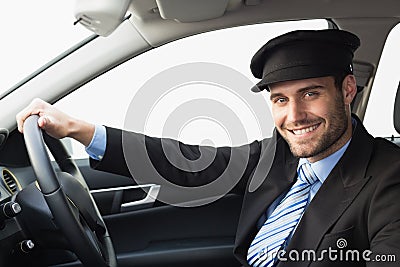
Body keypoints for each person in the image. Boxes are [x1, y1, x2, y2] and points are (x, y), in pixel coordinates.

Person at [16, 29, 400, 267]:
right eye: (280, 100)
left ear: (347, 91)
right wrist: (78, 129)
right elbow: (188, 165)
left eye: (311, 94)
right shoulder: (279, 154)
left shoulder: (390, 179)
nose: (295, 115)